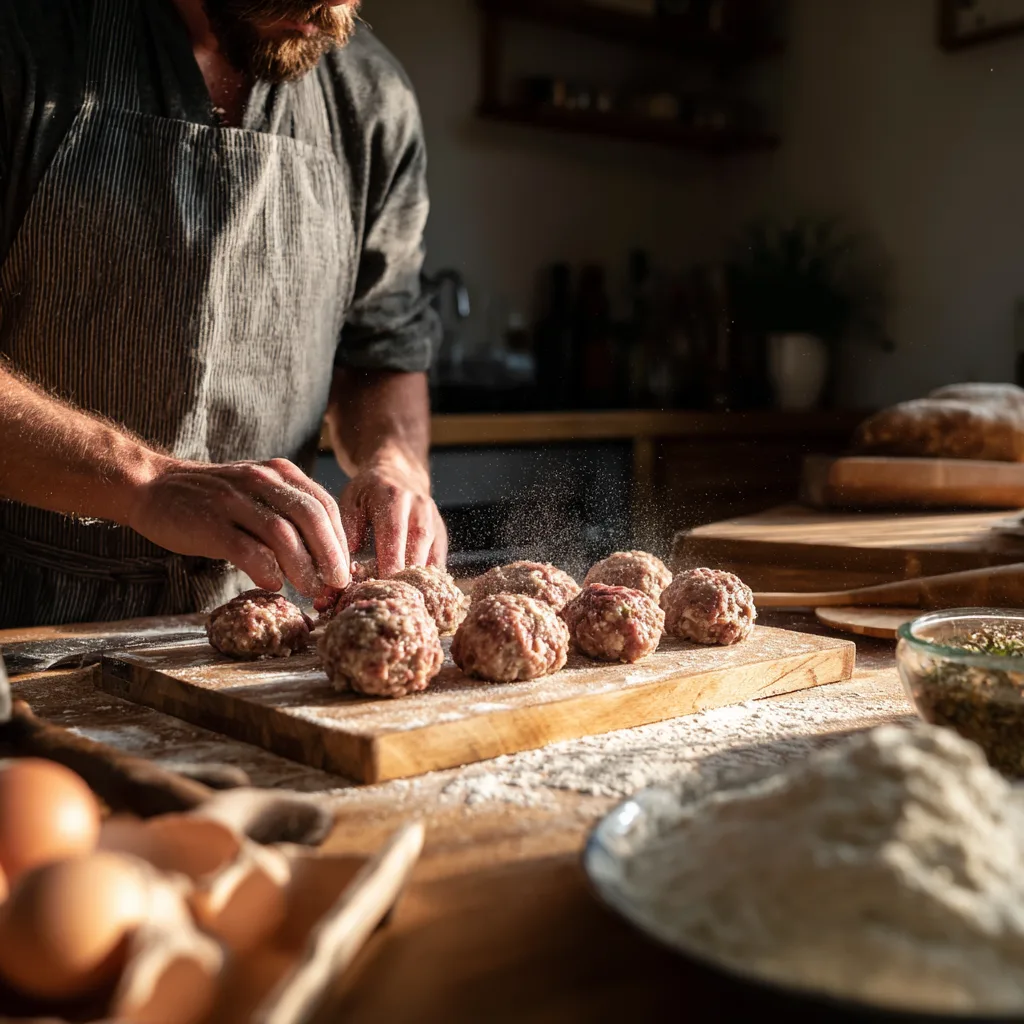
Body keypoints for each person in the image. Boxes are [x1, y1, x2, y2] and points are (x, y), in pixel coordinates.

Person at [0, 0, 447, 627]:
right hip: (20, 606)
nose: (332, 6)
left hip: (251, 616)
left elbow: (383, 351)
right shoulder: (26, 41)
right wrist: (145, 483)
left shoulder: (372, 99)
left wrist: (394, 462)